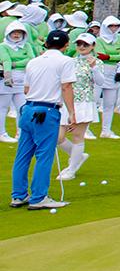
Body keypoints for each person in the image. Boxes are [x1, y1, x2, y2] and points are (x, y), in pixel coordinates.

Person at [12, 27, 75, 209]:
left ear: (47, 43)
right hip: (47, 111)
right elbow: (66, 87)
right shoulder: (66, 61)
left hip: (28, 108)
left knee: (23, 154)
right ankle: (39, 197)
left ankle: (18, 195)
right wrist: (71, 112)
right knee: (44, 155)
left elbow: (26, 89)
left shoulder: (33, 61)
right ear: (65, 45)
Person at [54, 31, 106, 184]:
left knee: (77, 136)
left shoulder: (97, 62)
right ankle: (77, 157)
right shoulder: (69, 61)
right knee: (58, 137)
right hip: (66, 102)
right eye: (79, 44)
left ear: (92, 46)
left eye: (86, 44)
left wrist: (94, 67)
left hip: (84, 103)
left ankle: (71, 168)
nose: (82, 47)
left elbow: (100, 82)